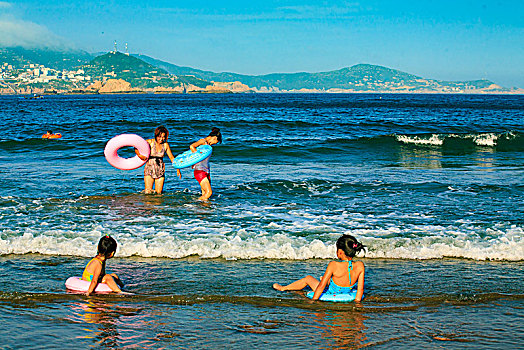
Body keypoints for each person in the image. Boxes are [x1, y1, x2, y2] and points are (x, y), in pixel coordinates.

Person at [273, 235, 366, 302]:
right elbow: (360, 290)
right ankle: (328, 281)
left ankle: (283, 288)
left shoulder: (333, 265)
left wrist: (314, 301)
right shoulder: (360, 265)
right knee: (329, 279)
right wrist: (357, 303)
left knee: (308, 278)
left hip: (331, 292)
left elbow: (321, 286)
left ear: (340, 252)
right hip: (347, 291)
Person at [135, 126, 180, 194]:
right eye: (160, 136)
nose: (161, 139)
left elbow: (171, 158)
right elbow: (136, 146)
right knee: (148, 192)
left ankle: (158, 205)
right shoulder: (150, 142)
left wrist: (178, 168)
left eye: (163, 137)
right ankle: (148, 204)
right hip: (149, 168)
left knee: (159, 193)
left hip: (160, 169)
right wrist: (139, 155)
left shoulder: (165, 145)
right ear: (156, 135)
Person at [187, 127, 222, 201]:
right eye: (216, 141)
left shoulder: (208, 146)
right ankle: (193, 204)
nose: (215, 143)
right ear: (214, 137)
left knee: (205, 193)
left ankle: (203, 210)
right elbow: (192, 146)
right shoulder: (203, 141)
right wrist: (195, 160)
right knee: (209, 193)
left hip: (206, 171)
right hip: (200, 171)